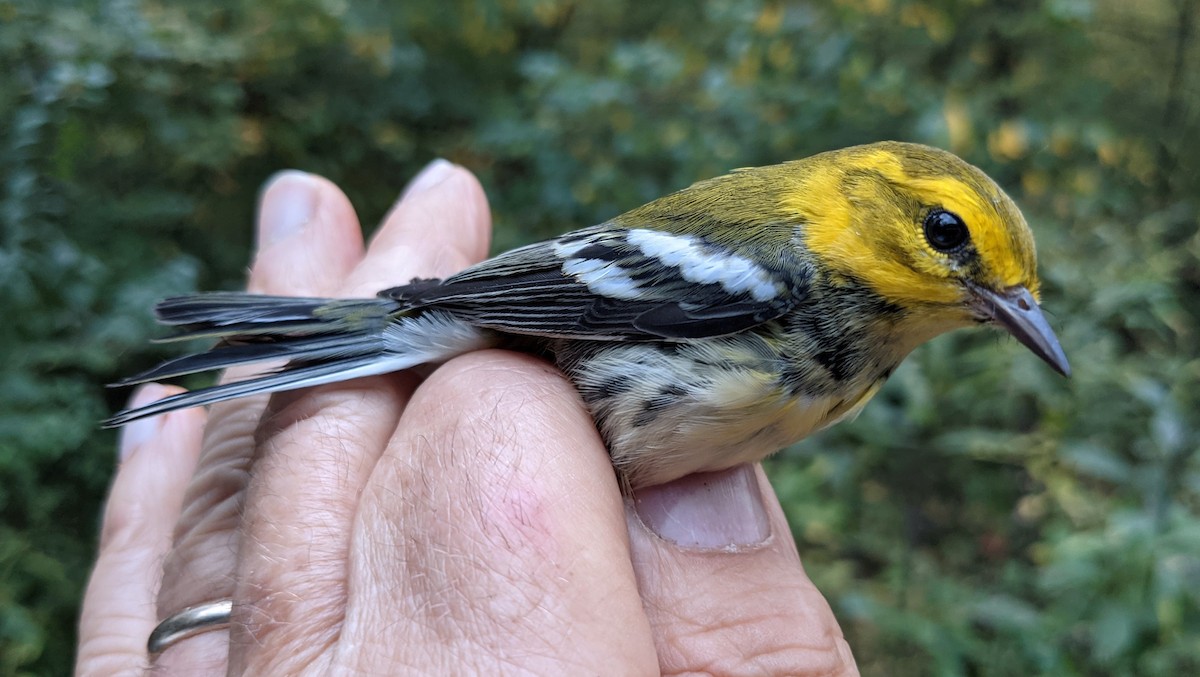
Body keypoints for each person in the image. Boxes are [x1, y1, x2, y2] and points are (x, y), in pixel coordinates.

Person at [76, 161, 857, 675]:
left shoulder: (861, 349)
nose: (985, 297)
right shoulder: (784, 261)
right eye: (946, 237)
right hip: (547, 337)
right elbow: (581, 285)